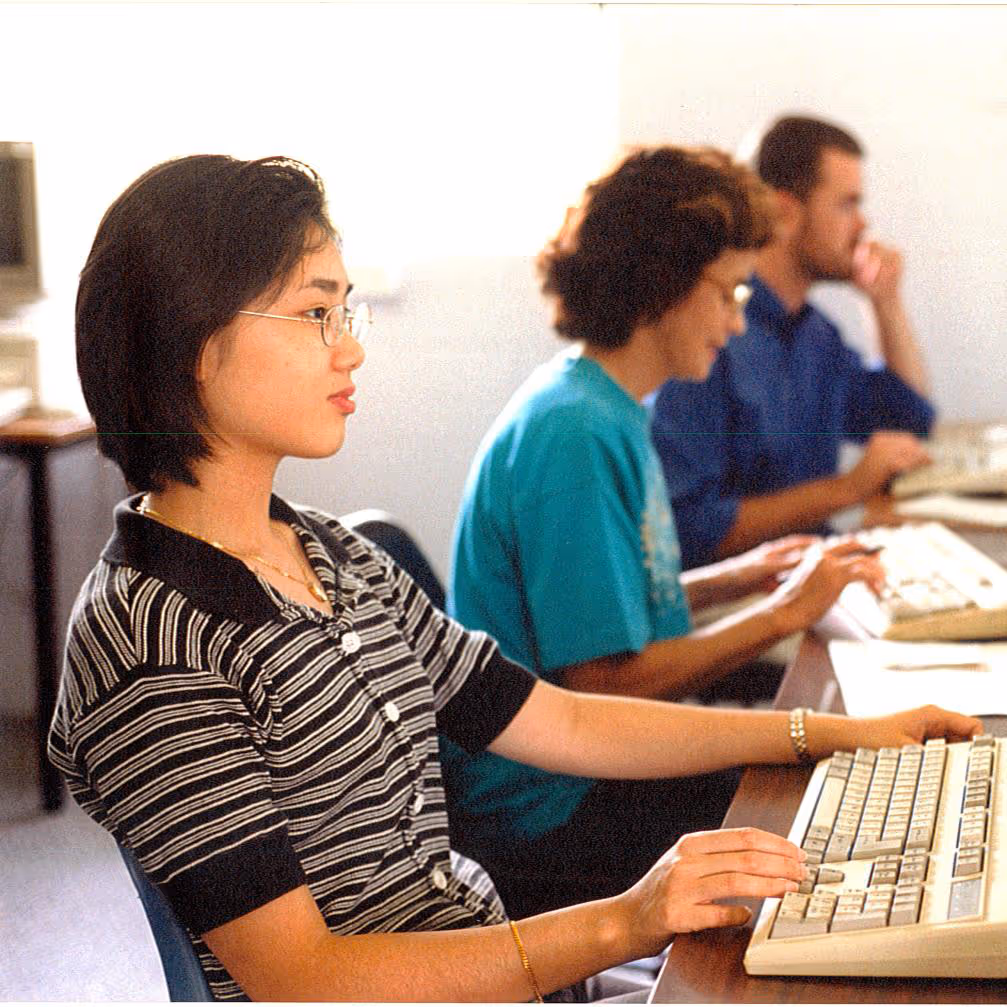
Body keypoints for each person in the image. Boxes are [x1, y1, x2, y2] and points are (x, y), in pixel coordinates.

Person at [48, 153, 980, 1003]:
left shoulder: (330, 554)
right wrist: (626, 918)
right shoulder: (149, 640)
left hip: (506, 966)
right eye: (313, 311)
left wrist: (832, 731)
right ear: (188, 338)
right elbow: (303, 978)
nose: (351, 346)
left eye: (347, 309)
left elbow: (557, 717)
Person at [442, 145, 933, 920]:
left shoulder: (604, 402)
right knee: (839, 832)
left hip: (598, 776)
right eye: (728, 292)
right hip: (554, 812)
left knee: (842, 801)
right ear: (661, 286)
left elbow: (614, 608)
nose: (738, 320)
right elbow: (602, 682)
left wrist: (739, 576)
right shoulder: (574, 432)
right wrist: (781, 614)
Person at [650, 115, 935, 571]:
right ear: (785, 212)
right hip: (735, 602)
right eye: (847, 205)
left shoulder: (816, 333)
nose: (863, 224)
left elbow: (910, 419)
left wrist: (885, 303)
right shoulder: (709, 337)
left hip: (808, 575)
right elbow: (688, 530)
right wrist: (846, 490)